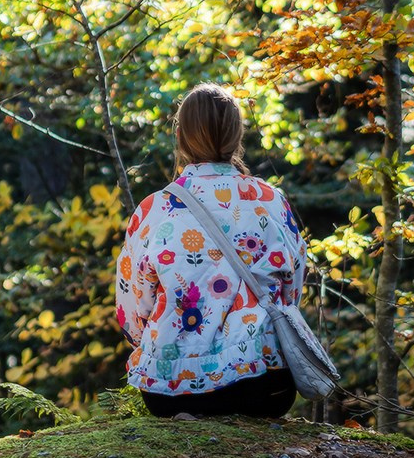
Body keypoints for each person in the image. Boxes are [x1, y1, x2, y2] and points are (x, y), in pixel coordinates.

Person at [115, 83, 307, 418]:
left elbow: (132, 309)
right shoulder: (271, 201)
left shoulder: (154, 210)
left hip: (173, 390)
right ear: (237, 135)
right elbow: (292, 291)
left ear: (180, 136)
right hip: (267, 385)